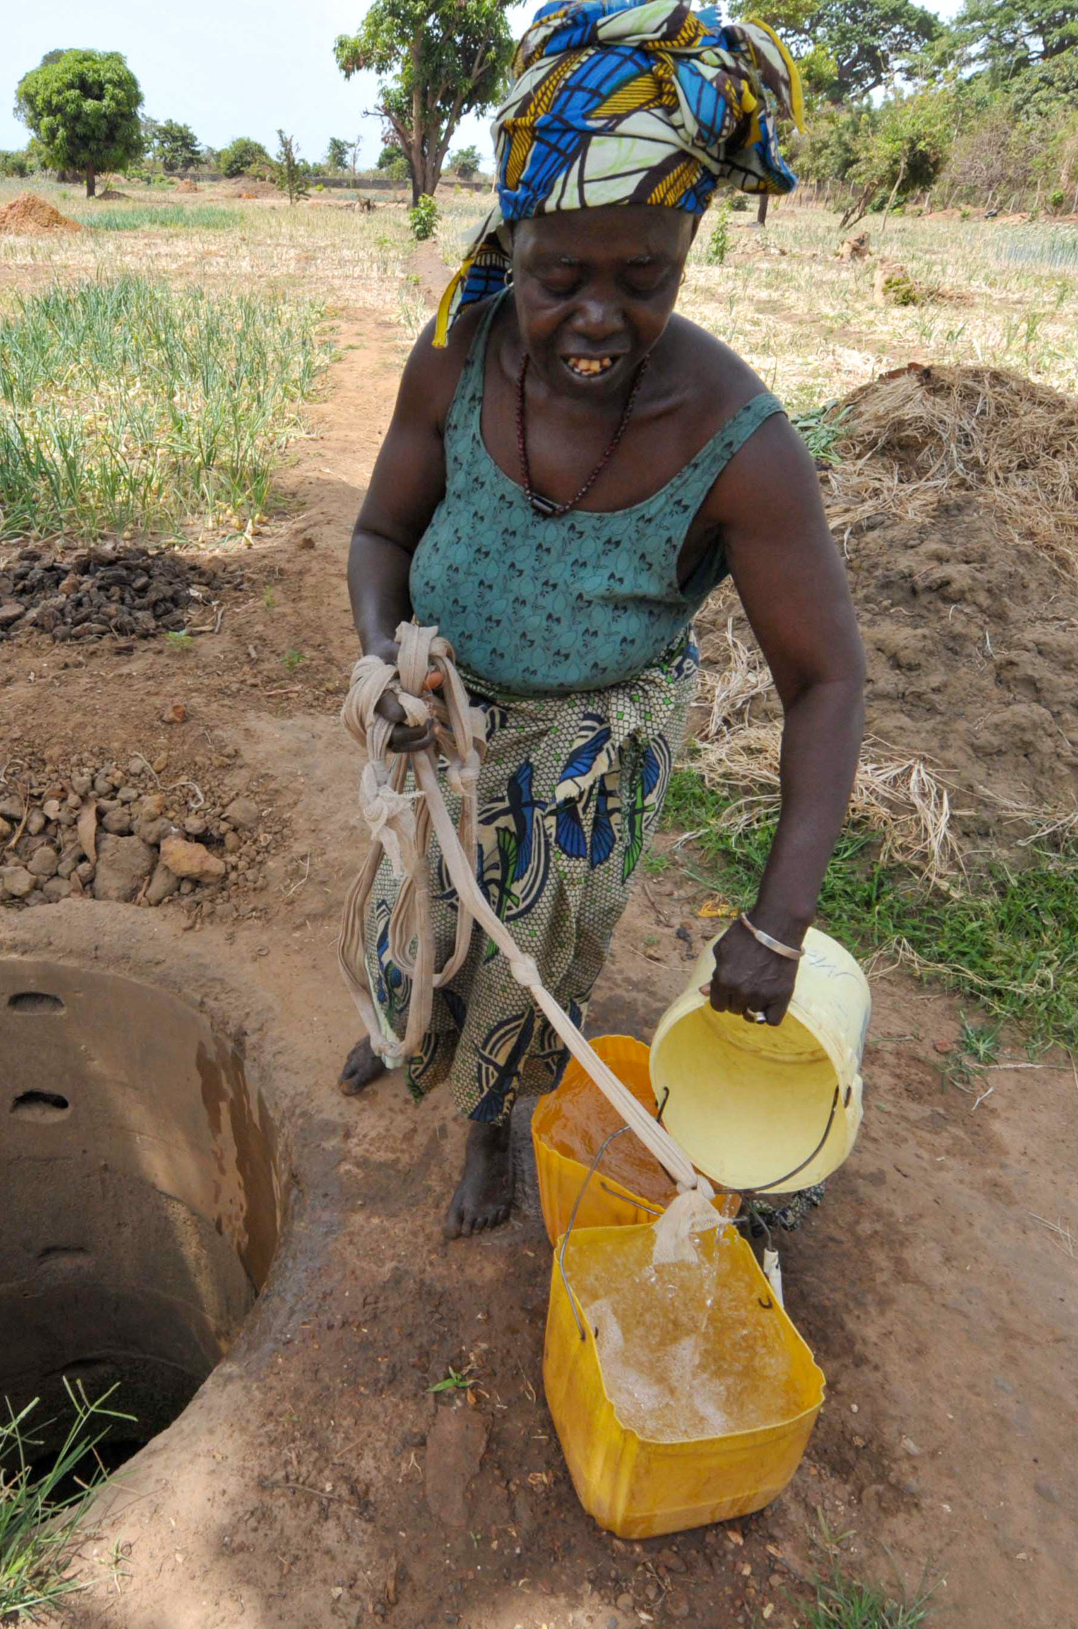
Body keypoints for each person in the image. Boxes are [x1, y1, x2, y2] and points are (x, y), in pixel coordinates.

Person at [340, 0, 867, 1237]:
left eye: (643, 280)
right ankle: (395, 1027)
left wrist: (779, 922)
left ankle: (484, 1126)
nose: (595, 319)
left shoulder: (742, 443)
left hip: (584, 771)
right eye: (556, 277)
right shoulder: (453, 361)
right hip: (434, 722)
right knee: (411, 897)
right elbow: (379, 537)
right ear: (508, 242)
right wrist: (383, 664)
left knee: (531, 956)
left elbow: (828, 682)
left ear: (686, 249)